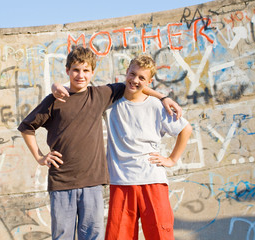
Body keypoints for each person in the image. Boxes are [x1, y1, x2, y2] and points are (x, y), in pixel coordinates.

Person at [17, 46, 182, 240]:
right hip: (61, 182)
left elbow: (136, 84)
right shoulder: (55, 100)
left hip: (93, 183)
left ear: (92, 72)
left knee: (92, 236)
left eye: (86, 70)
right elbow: (27, 127)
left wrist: (163, 97)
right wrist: (40, 157)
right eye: (76, 70)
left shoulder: (101, 95)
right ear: (67, 70)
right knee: (62, 236)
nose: (81, 75)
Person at [104, 54, 192, 240]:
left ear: (150, 81)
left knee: (160, 235)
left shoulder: (156, 106)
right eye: (132, 74)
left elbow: (186, 129)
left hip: (152, 180)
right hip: (121, 181)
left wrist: (172, 159)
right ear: (126, 72)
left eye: (142, 78)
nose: (135, 80)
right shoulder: (110, 102)